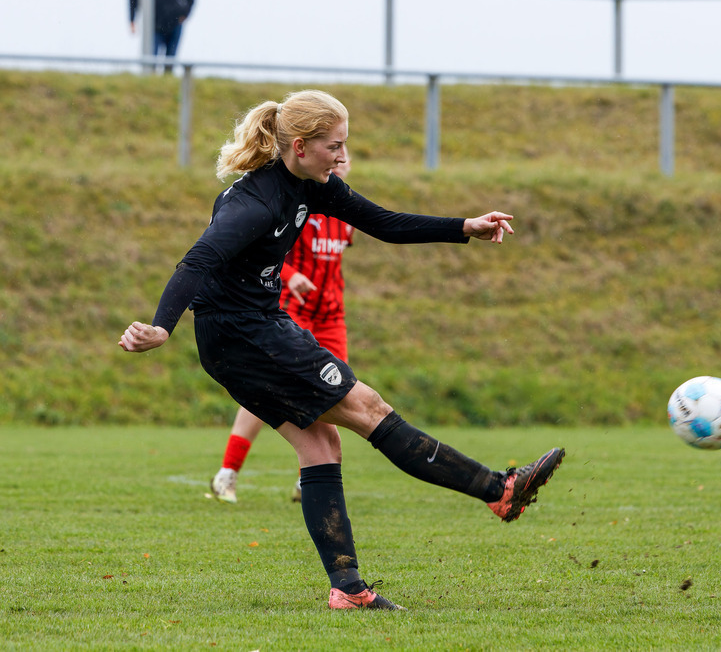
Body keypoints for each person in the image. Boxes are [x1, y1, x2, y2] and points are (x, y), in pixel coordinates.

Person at [119, 89, 564, 611]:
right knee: (367, 407)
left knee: (321, 446)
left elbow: (384, 224)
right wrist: (162, 328)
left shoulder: (312, 184)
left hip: (251, 331)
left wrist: (464, 227)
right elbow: (196, 261)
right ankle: (499, 489)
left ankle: (348, 590)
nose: (342, 156)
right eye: (335, 145)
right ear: (301, 146)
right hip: (245, 337)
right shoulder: (254, 202)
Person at [210, 158, 356, 505]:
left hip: (331, 315)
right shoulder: (299, 206)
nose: (339, 162)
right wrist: (292, 277)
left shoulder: (347, 216)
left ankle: (312, 480)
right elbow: (268, 251)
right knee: (265, 392)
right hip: (290, 309)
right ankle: (227, 473)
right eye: (334, 153)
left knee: (335, 391)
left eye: (344, 156)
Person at [129, 0, 195, 74]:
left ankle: (167, 86)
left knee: (170, 62)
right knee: (150, 62)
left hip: (175, 23)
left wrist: (185, 13)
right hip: (152, 24)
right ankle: (151, 86)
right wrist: (132, 19)